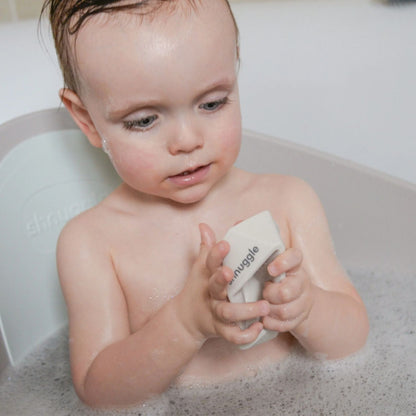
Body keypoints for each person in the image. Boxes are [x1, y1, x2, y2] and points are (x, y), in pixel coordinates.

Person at [42, 0, 369, 408]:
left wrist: (309, 308)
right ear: (87, 120)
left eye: (212, 103)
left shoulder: (287, 200)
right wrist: (184, 323)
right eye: (144, 120)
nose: (187, 141)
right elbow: (99, 391)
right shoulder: (92, 243)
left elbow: (353, 338)